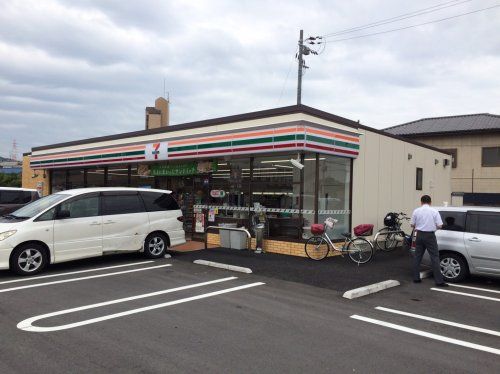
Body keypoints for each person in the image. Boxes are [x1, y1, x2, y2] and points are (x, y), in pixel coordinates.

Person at [410, 195, 448, 287]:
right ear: (430, 202)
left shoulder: (416, 211)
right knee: (434, 257)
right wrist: (433, 227)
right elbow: (440, 225)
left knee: (417, 257)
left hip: (419, 235)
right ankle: (439, 281)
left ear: (421, 202)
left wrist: (419, 226)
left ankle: (416, 278)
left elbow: (412, 225)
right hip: (430, 236)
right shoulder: (434, 211)